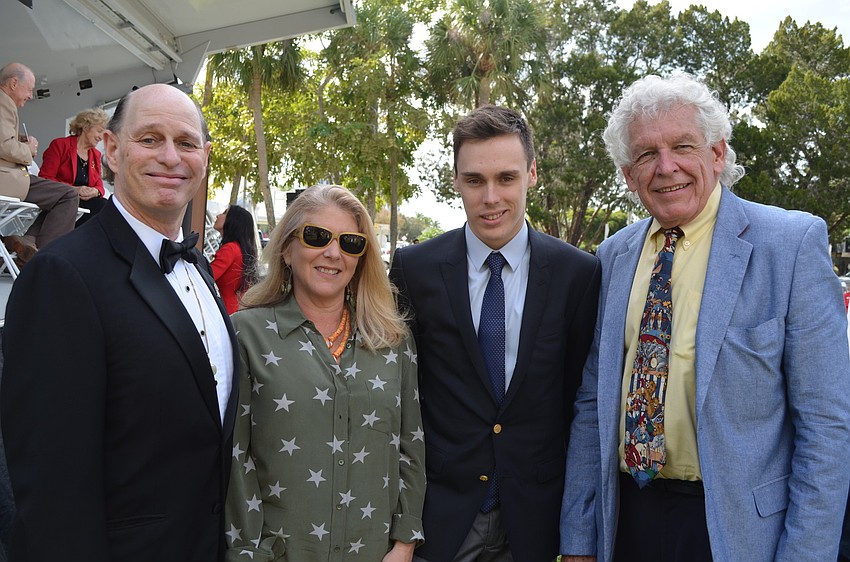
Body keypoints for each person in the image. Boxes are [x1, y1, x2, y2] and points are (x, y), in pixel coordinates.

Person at [558, 73, 850, 562]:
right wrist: (580, 539)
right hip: (629, 519)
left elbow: (826, 428)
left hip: (740, 534)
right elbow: (592, 406)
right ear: (630, 176)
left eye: (683, 146)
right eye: (647, 155)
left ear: (717, 154)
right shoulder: (612, 257)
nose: (666, 166)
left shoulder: (791, 245)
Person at [1, 83, 238, 561]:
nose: (171, 157)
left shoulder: (200, 270)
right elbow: (51, 480)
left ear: (205, 156)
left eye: (186, 143)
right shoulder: (62, 274)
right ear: (110, 149)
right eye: (149, 139)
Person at [389, 105, 601, 562]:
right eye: (474, 180)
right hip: (440, 515)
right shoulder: (414, 269)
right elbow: (400, 396)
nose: (490, 197)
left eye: (506, 178)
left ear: (532, 173)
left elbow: (580, 402)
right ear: (455, 180)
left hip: (536, 519)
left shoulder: (578, 274)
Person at [225, 184, 425, 561]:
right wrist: (248, 552)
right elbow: (237, 458)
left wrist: (404, 544)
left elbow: (410, 444)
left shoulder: (393, 340)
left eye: (350, 242)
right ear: (287, 247)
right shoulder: (245, 334)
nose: (333, 253)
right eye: (317, 237)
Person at [0, 62, 78, 263]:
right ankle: (44, 258)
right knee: (68, 195)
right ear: (14, 83)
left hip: (9, 177)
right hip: (7, 180)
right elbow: (4, 147)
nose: (31, 95)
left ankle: (28, 243)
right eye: (30, 89)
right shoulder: (3, 102)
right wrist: (29, 150)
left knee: (61, 196)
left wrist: (19, 140)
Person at [39, 107, 109, 225]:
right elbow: (45, 178)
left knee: (107, 206)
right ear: (86, 127)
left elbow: (99, 185)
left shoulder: (95, 154)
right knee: (102, 207)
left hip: (84, 202)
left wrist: (95, 191)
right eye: (99, 131)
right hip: (62, 198)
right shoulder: (60, 145)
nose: (101, 137)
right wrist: (73, 189)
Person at [211, 204, 259, 314]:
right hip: (237, 309)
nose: (218, 216)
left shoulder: (230, 249)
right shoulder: (240, 249)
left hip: (224, 311)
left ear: (233, 221)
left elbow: (207, 275)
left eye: (224, 213)